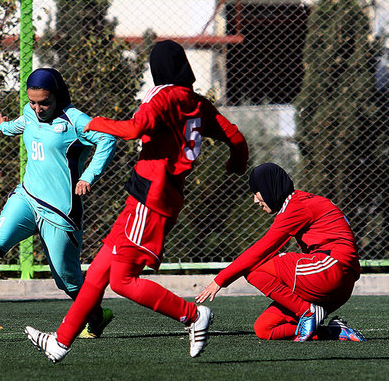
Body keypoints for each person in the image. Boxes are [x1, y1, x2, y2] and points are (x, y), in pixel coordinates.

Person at [24, 40, 249, 362]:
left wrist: (92, 123)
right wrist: (236, 164)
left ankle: (192, 315)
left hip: (151, 198)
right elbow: (236, 137)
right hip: (156, 196)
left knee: (122, 280)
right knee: (99, 272)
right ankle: (60, 342)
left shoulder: (163, 96)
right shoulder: (198, 103)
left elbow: (134, 129)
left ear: (158, 69)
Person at [0, 68, 117, 338]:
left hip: (60, 212)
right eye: (33, 101)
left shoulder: (75, 120)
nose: (38, 108)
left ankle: (98, 316)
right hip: (26, 197)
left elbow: (107, 138)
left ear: (58, 96)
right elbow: (17, 126)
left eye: (44, 102)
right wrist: (3, 126)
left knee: (67, 280)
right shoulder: (29, 113)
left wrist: (88, 176)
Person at [196, 163, 366, 342]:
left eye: (257, 191)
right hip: (336, 281)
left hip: (331, 270)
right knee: (265, 328)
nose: (255, 200)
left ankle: (308, 311)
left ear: (270, 187)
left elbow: (262, 248)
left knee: (254, 268)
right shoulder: (300, 202)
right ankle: (335, 332)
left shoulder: (296, 205)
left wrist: (220, 280)